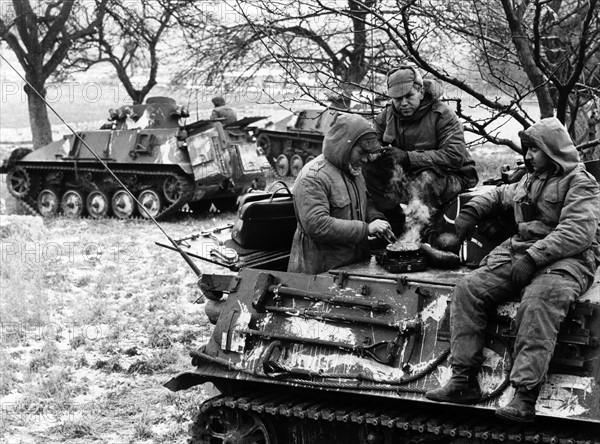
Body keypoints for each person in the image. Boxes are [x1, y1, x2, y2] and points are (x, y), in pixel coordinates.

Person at [425, 117, 600, 423]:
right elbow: (501, 193)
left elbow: (577, 233)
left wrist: (534, 258)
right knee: (469, 289)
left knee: (538, 303)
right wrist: (469, 214)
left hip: (569, 258)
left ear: (552, 150)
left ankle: (524, 396)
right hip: (522, 250)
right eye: (527, 149)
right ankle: (463, 380)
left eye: (534, 150)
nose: (528, 156)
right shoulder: (532, 178)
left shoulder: (581, 183)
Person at [363, 65, 478, 235]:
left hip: (453, 176)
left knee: (425, 179)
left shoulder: (442, 115)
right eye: (397, 98)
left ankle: (423, 235)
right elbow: (373, 145)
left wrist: (408, 157)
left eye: (409, 96)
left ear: (421, 92)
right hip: (408, 175)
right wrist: (377, 154)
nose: (403, 103)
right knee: (370, 170)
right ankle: (392, 225)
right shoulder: (386, 115)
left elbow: (454, 156)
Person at [287, 114, 392, 275]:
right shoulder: (313, 176)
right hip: (318, 274)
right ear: (345, 146)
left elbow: (365, 202)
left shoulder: (353, 170)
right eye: (362, 152)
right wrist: (366, 229)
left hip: (350, 268)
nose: (365, 160)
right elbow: (317, 225)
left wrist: (375, 219)